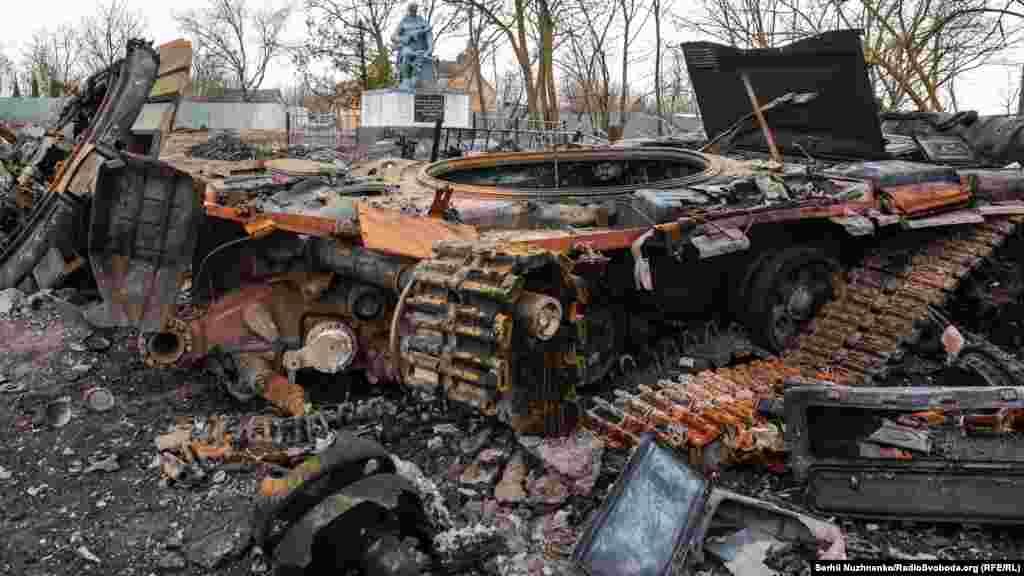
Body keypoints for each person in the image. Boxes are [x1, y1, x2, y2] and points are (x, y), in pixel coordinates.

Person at [393, 3, 434, 90]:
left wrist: (430, 49)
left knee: (420, 56)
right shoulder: (404, 21)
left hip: (421, 48)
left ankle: (415, 79)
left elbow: (429, 34)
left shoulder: (421, 21)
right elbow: (393, 37)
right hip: (408, 48)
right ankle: (406, 80)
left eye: (415, 9)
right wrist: (406, 38)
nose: (413, 11)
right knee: (407, 54)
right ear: (409, 10)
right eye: (412, 10)